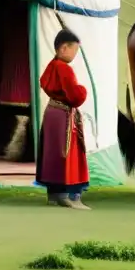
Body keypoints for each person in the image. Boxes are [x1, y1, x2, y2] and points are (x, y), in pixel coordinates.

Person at [36, 28, 91, 210]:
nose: (75, 54)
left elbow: (43, 82)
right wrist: (83, 90)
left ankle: (54, 194)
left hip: (52, 112)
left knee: (52, 152)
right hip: (64, 116)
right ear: (63, 48)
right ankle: (67, 195)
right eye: (74, 49)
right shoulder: (64, 69)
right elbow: (75, 97)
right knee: (66, 153)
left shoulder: (52, 66)